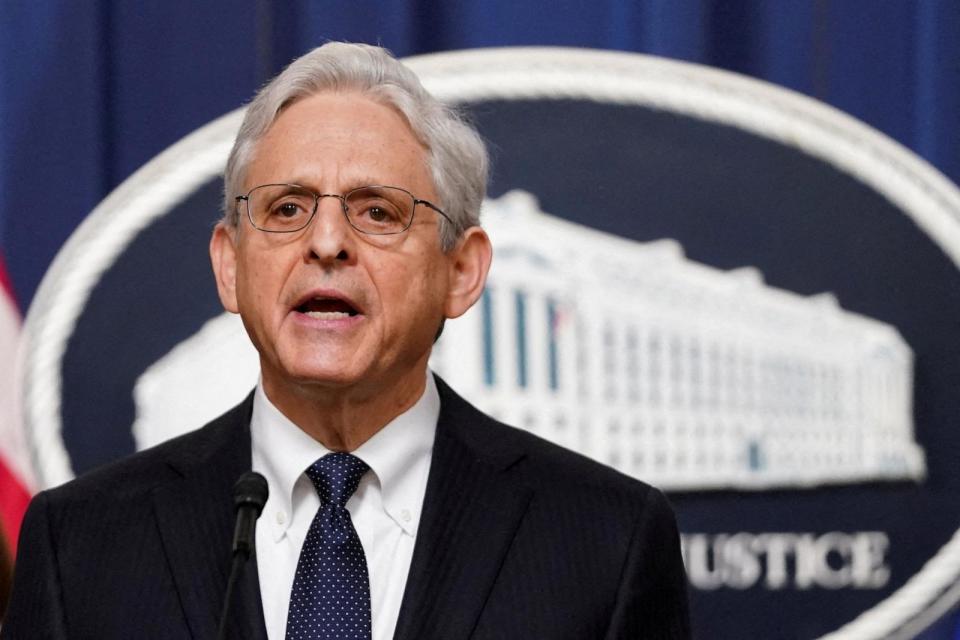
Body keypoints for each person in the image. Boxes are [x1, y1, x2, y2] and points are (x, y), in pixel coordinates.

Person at [2, 42, 690, 639]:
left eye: (377, 211)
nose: (327, 243)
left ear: (461, 269)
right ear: (230, 266)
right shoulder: (81, 544)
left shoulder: (607, 540)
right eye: (287, 208)